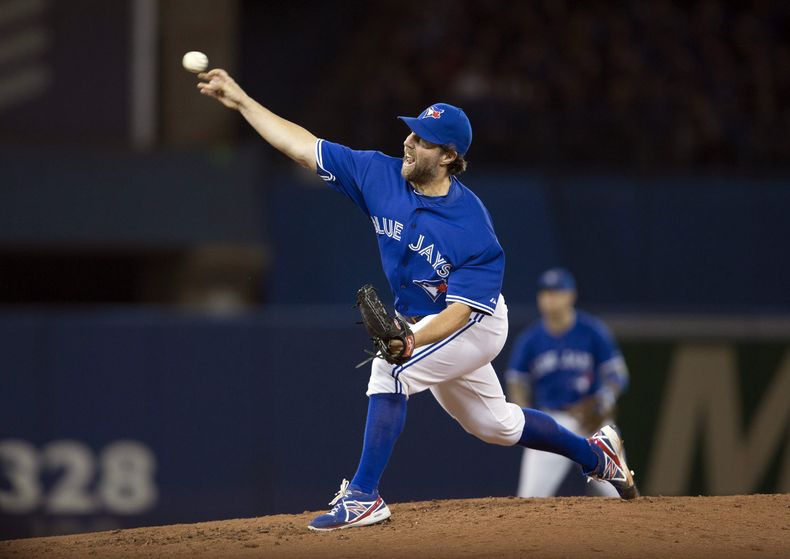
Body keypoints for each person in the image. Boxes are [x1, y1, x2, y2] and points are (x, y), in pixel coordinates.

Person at [196, 69, 637, 532]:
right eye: (411, 131)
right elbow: (302, 146)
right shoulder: (378, 174)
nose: (409, 142)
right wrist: (243, 100)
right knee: (495, 426)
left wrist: (410, 339)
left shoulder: (472, 229)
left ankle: (364, 495)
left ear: (448, 156)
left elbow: (462, 312)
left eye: (423, 140)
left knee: (391, 369)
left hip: (473, 323)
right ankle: (596, 455)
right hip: (420, 320)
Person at [506, 268, 630, 498]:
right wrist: (524, 416)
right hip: (552, 422)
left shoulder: (592, 331)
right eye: (545, 292)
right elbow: (516, 381)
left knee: (619, 493)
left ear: (571, 295)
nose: (550, 298)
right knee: (530, 498)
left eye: (556, 292)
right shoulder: (531, 339)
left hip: (592, 420)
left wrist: (603, 400)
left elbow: (617, 374)